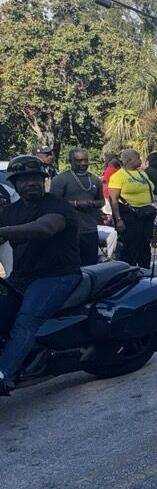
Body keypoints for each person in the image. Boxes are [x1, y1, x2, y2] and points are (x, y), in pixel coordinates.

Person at [0, 156, 82, 396]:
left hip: (58, 275)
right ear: (15, 184)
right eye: (23, 179)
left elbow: (45, 228)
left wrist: (3, 231)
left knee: (27, 320)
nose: (30, 183)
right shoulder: (11, 212)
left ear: (43, 180)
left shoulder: (57, 206)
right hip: (22, 277)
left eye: (35, 178)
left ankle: (4, 373)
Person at [50, 148, 104, 266]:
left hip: (90, 229)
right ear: (70, 161)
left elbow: (102, 201)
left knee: (90, 265)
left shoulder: (95, 179)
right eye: (79, 161)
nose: (83, 164)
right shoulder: (60, 179)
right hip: (69, 230)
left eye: (85, 160)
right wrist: (76, 204)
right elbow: (53, 203)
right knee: (70, 265)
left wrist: (93, 204)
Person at [107, 149, 156, 268]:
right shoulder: (118, 176)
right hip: (130, 215)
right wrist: (118, 220)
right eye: (137, 158)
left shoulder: (142, 173)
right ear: (129, 160)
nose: (140, 160)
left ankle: (144, 271)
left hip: (146, 215)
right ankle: (130, 272)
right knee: (131, 247)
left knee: (144, 246)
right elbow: (113, 199)